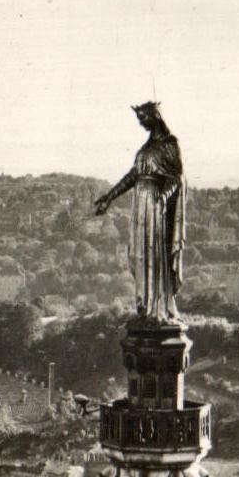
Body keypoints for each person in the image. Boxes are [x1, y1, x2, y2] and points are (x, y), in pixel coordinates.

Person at [94, 102, 186, 321]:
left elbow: (176, 177)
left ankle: (159, 307)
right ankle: (145, 305)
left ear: (154, 117)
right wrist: (109, 197)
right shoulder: (146, 148)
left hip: (154, 204)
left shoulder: (170, 143)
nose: (141, 124)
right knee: (141, 252)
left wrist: (163, 197)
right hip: (141, 205)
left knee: (155, 252)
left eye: (143, 119)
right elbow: (132, 176)